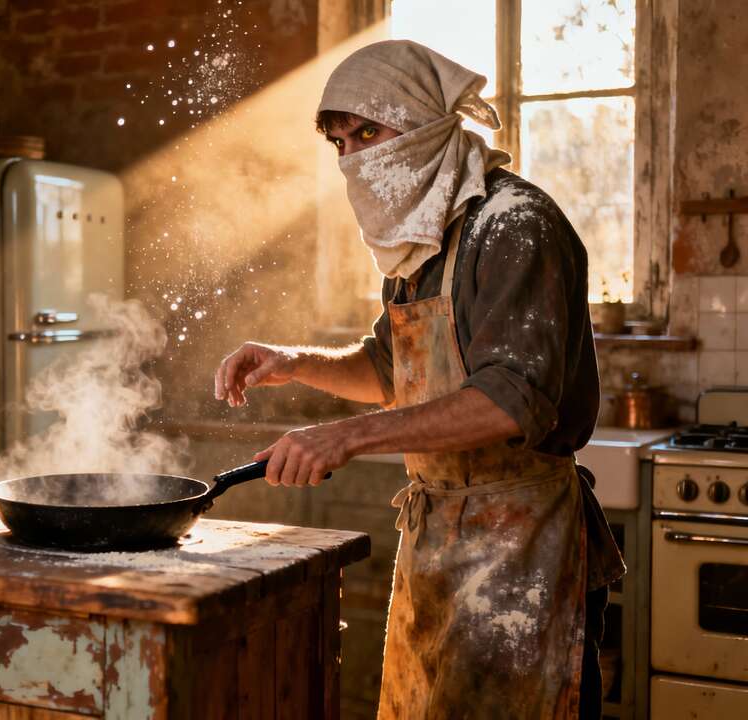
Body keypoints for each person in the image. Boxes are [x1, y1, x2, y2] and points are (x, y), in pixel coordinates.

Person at [213, 40, 624, 719]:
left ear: (427, 120)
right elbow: (388, 370)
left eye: (369, 132)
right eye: (340, 142)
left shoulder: (514, 225)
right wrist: (291, 361)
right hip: (439, 544)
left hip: (524, 551)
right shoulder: (422, 240)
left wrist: (346, 438)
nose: (353, 157)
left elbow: (511, 398)